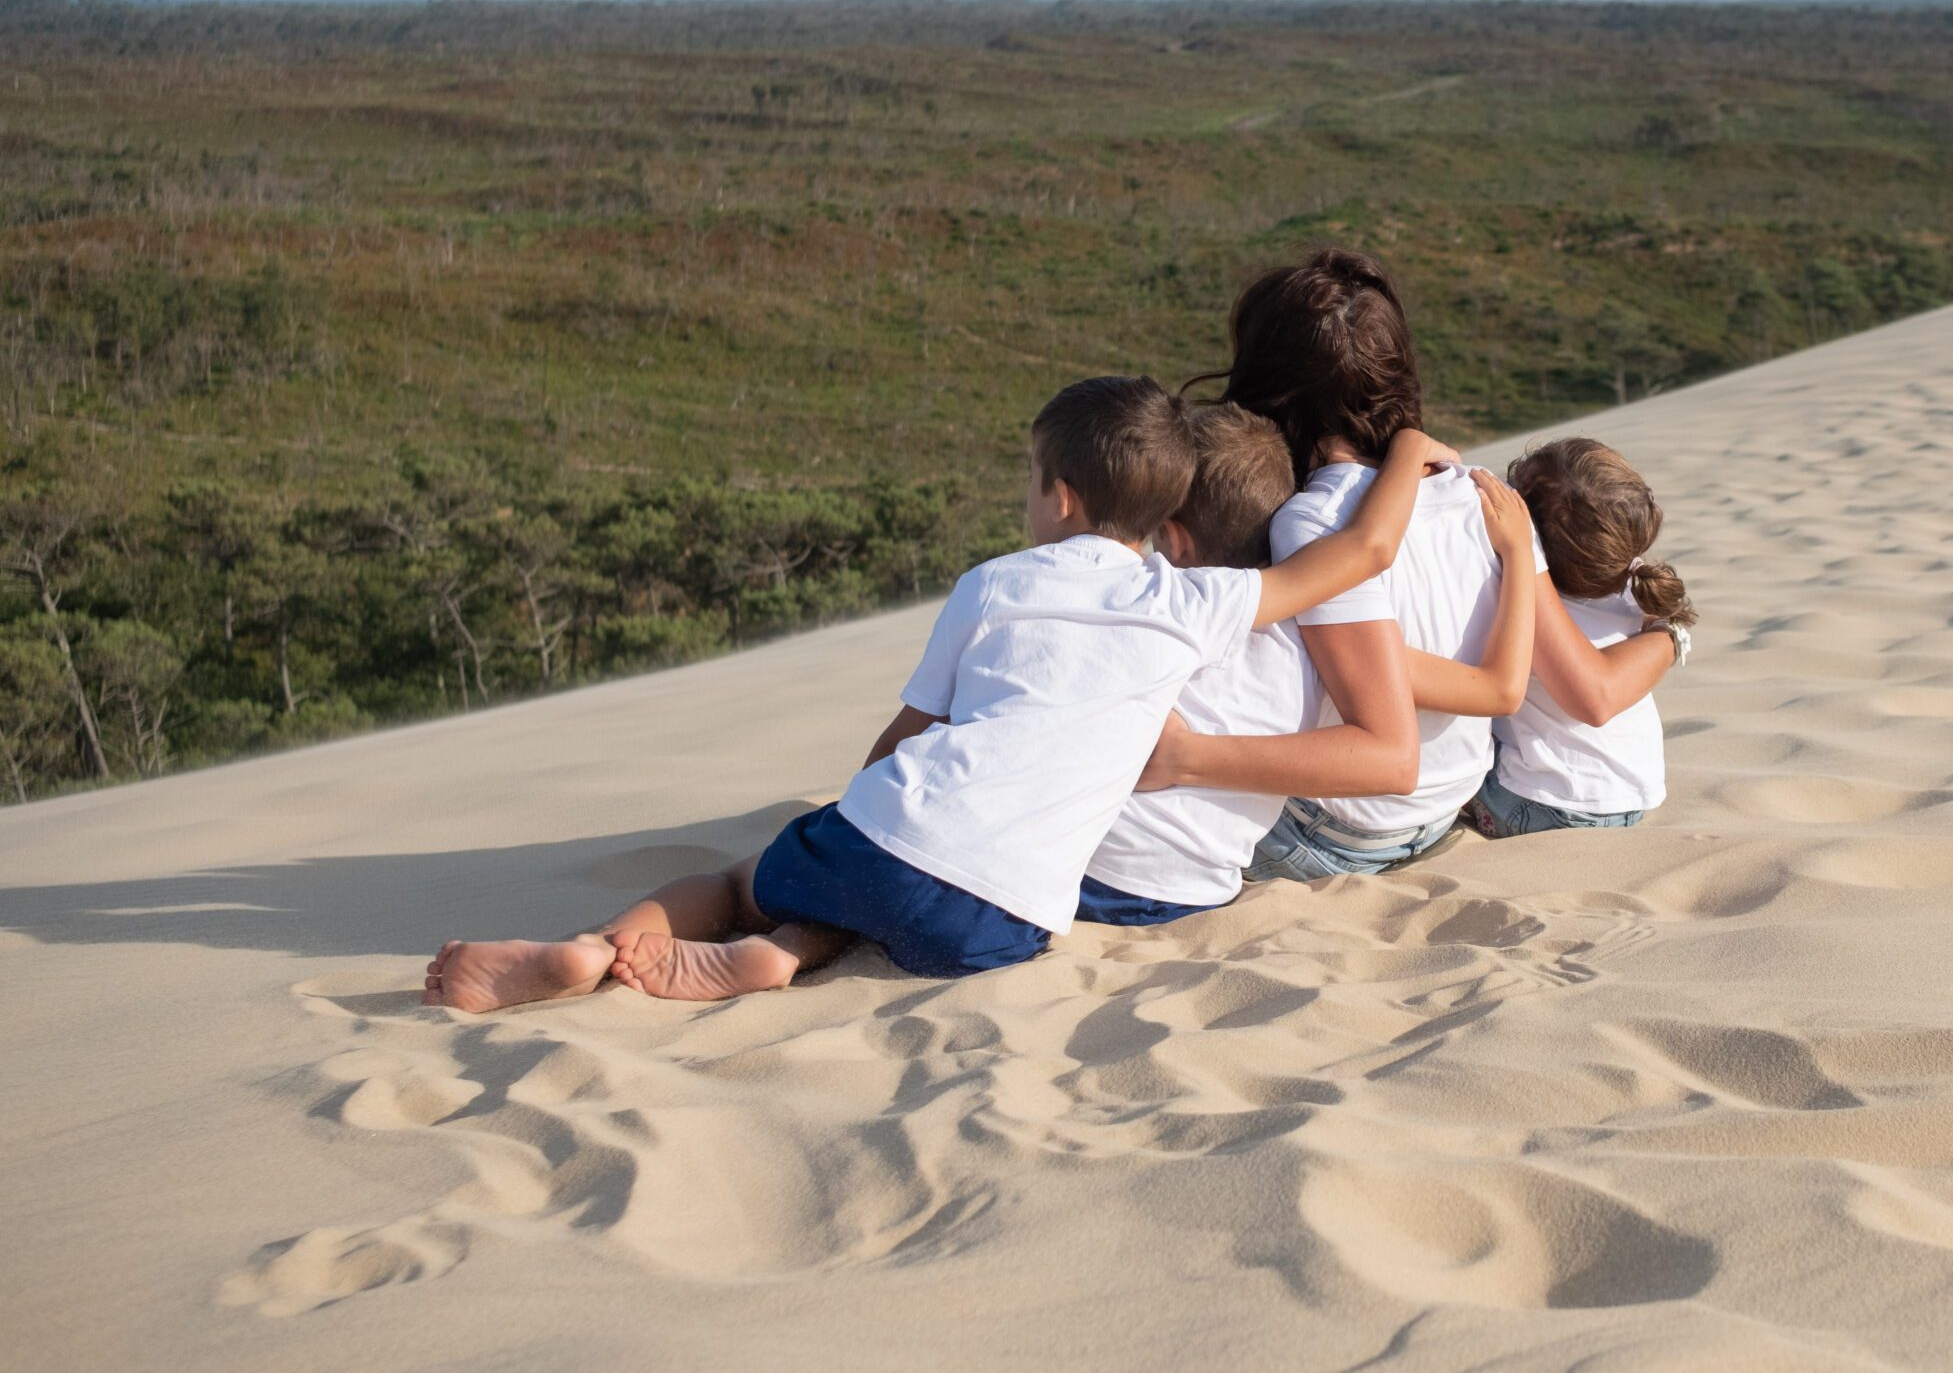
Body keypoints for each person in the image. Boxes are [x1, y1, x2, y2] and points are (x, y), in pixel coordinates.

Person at [422, 376, 1448, 1011]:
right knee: (888, 903)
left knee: (757, 873)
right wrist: (1404, 443)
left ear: (1057, 496)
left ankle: (605, 947)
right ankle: (780, 958)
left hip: (904, 841)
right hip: (998, 926)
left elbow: (907, 736)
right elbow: (1364, 549)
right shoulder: (1194, 604)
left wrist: (850, 813)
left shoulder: (991, 585)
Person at [1183, 248, 1545, 881]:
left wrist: (1186, 759)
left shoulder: (1315, 523)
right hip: (1452, 799)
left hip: (1345, 833)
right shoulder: (1476, 491)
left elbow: (1383, 733)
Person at [1082, 404, 1522, 922]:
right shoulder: (1311, 610)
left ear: (1174, 536)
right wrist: (1410, 446)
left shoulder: (1177, 608)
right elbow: (1367, 547)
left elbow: (1370, 549)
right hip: (1441, 811)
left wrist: (1186, 756)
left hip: (1321, 839)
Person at [1475, 438, 1695, 836]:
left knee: (1452, 767)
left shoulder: (1524, 590)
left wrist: (1520, 547)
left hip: (1548, 803)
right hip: (1630, 793)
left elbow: (1591, 699)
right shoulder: (1626, 578)